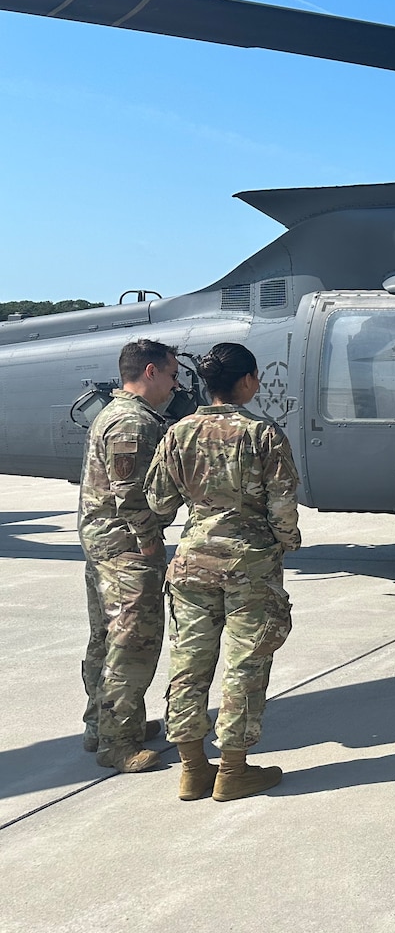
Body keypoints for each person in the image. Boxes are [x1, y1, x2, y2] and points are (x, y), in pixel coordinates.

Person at [146, 342, 300, 801]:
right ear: (249, 380)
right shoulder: (263, 434)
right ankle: (233, 770)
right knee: (245, 665)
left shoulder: (178, 433)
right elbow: (283, 508)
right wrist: (284, 543)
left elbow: (158, 502)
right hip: (249, 566)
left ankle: (192, 770)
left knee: (189, 665)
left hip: (193, 564)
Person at [77, 338, 180, 772]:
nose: (176, 385)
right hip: (125, 546)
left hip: (106, 541)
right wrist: (150, 539)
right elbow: (130, 492)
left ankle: (102, 724)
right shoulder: (131, 423)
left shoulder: (118, 414)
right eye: (173, 375)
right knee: (132, 640)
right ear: (151, 371)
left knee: (105, 635)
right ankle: (118, 744)